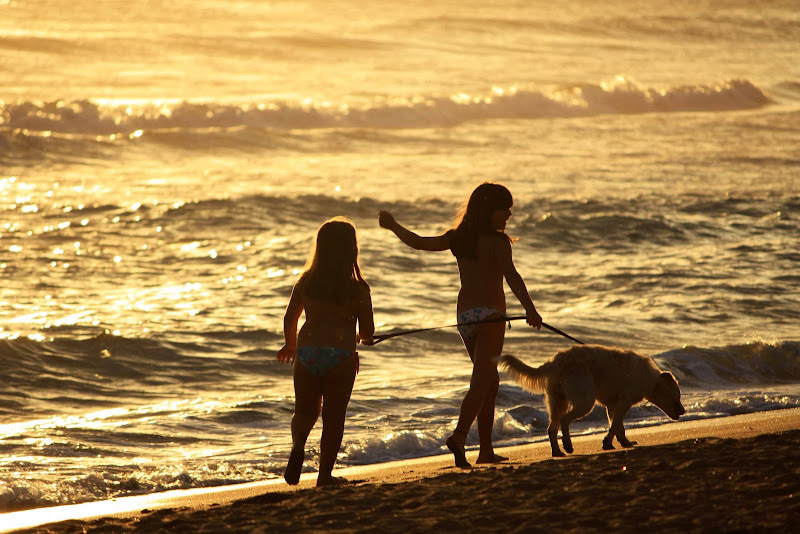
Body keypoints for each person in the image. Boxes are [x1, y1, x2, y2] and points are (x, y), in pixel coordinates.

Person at [378, 182, 541, 467]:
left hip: (465, 319)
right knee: (482, 381)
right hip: (490, 317)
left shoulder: (459, 238)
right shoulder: (498, 242)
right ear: (490, 210)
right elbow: (511, 276)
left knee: (489, 382)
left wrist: (393, 226)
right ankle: (460, 435)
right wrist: (531, 310)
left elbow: (418, 242)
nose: (509, 216)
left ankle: (486, 451)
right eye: (506, 209)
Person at [277, 217, 374, 486]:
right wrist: (362, 338)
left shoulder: (306, 282)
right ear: (352, 251)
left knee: (305, 412)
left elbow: (290, 318)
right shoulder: (358, 288)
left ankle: (298, 446)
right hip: (340, 358)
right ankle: (324, 476)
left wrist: (290, 344)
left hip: (307, 355)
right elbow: (367, 332)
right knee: (333, 417)